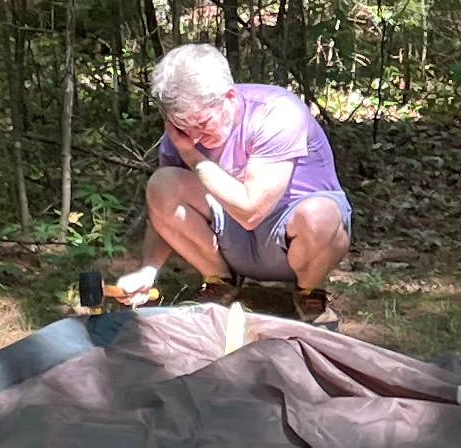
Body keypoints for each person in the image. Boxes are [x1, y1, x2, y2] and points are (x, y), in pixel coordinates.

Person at [112, 44, 353, 313]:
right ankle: (219, 281)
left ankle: (309, 293)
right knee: (162, 183)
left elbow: (252, 211)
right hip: (234, 239)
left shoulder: (277, 112)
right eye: (181, 126)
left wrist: (192, 157)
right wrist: (148, 270)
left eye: (202, 124)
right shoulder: (181, 137)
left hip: (291, 230)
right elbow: (162, 210)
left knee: (320, 215)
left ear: (229, 97)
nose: (192, 137)